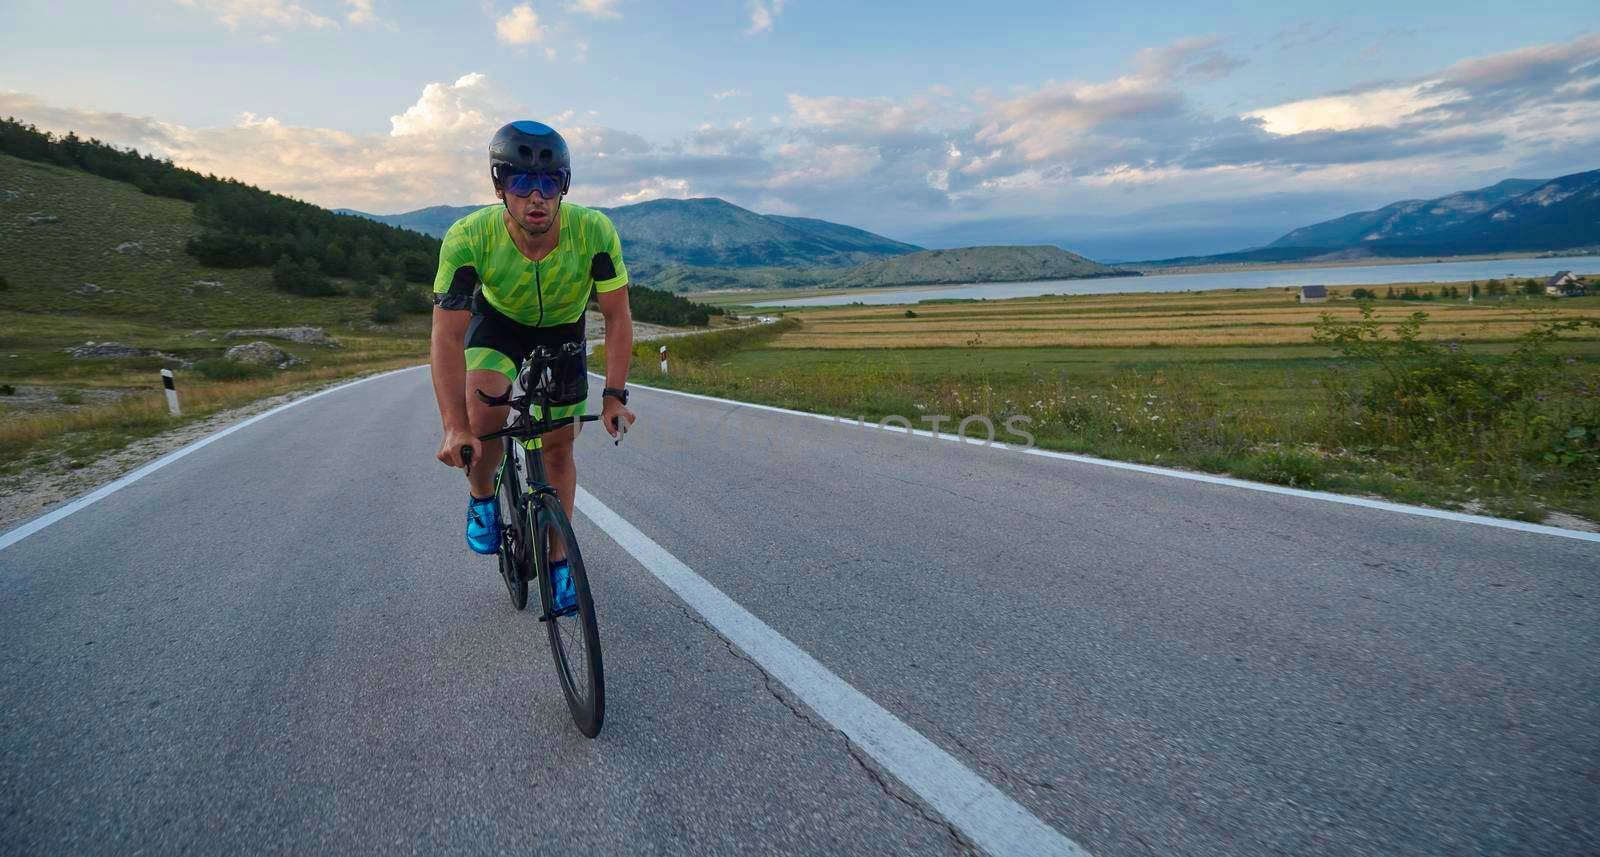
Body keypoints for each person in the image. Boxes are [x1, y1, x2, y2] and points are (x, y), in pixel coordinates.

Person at [429, 120, 636, 607]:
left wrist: (614, 395)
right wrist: (453, 427)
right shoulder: (468, 237)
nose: (536, 197)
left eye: (549, 183)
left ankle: (559, 562)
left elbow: (618, 316)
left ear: (564, 186)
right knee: (483, 419)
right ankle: (482, 498)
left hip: (564, 328)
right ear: (500, 186)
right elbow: (446, 334)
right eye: (521, 183)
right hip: (499, 325)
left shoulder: (595, 231)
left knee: (559, 446)